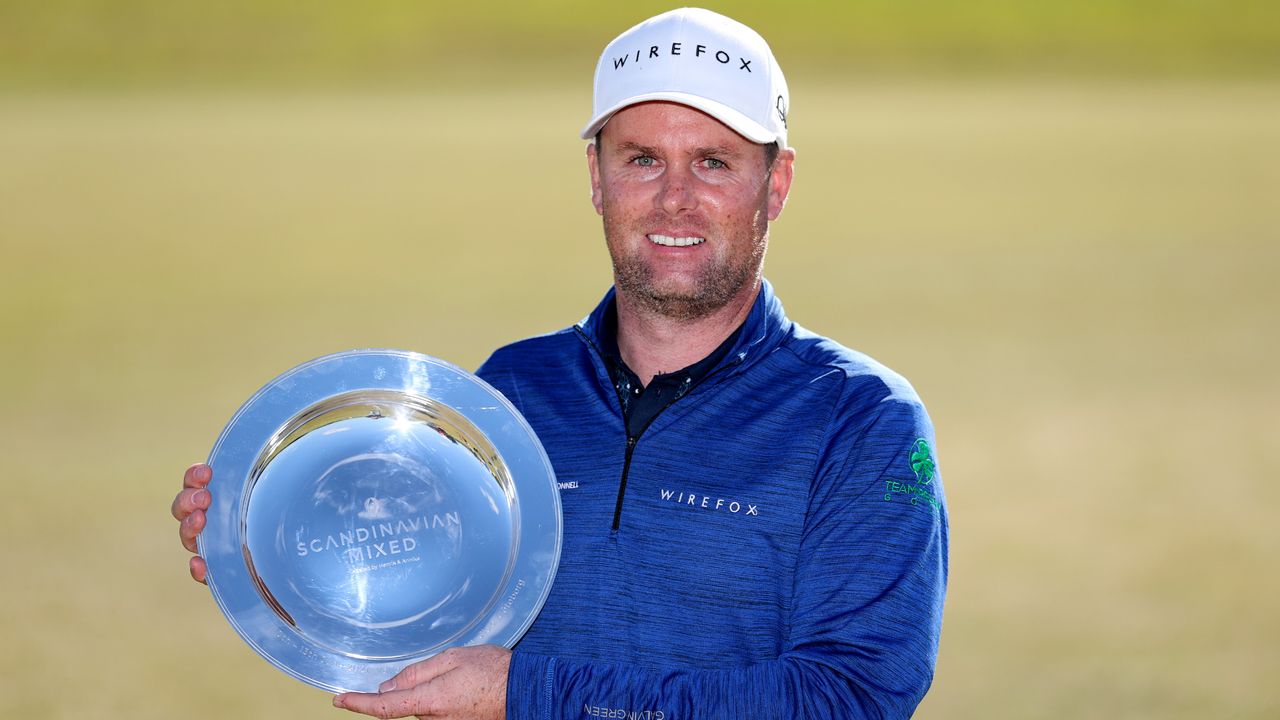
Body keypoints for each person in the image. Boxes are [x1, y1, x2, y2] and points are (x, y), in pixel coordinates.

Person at [172, 8, 948, 719]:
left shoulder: (863, 417)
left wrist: (531, 695)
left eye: (713, 162)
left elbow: (853, 695)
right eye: (642, 159)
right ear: (595, 178)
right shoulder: (509, 391)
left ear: (775, 185)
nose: (674, 198)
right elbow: (411, 605)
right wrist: (263, 544)